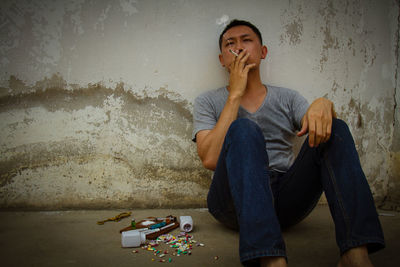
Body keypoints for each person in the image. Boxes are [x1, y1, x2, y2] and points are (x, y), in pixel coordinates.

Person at [192, 19, 385, 267]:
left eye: (246, 40)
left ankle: (355, 254)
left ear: (263, 52)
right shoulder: (208, 101)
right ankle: (271, 259)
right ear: (223, 60)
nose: (239, 48)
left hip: (286, 198)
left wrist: (324, 105)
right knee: (243, 129)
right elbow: (209, 159)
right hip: (233, 203)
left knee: (335, 128)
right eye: (231, 44)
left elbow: (319, 126)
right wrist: (235, 95)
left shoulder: (288, 98)